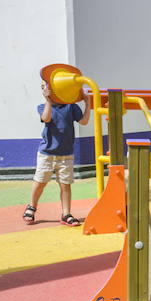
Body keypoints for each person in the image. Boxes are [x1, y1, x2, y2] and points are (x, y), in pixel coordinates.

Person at [23, 81, 91, 226]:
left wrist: (87, 102)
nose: (45, 89)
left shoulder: (70, 107)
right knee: (40, 182)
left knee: (65, 185)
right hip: (47, 153)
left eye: (47, 87)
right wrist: (48, 100)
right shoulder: (42, 106)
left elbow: (84, 121)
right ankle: (32, 206)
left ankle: (66, 213)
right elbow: (46, 118)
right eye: (43, 87)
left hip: (66, 153)